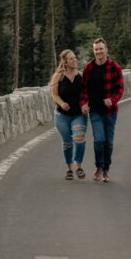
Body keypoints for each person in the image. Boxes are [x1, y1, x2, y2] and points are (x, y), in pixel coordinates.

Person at [80, 37, 124, 183]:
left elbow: (120, 89)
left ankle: (106, 170)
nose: (98, 51)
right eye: (96, 49)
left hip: (111, 112)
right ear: (93, 51)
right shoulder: (88, 68)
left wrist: (112, 100)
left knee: (108, 143)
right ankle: (98, 167)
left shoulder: (114, 67)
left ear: (106, 50)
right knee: (99, 139)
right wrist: (83, 103)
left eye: (101, 49)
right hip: (95, 111)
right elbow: (84, 89)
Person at [49, 49, 87, 180]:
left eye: (75, 58)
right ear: (65, 61)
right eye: (71, 58)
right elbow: (54, 93)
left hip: (78, 114)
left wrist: (86, 104)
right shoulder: (58, 76)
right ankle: (69, 168)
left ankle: (79, 166)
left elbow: (86, 94)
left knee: (80, 140)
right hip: (62, 116)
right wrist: (61, 103)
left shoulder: (81, 76)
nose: (75, 60)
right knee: (67, 142)